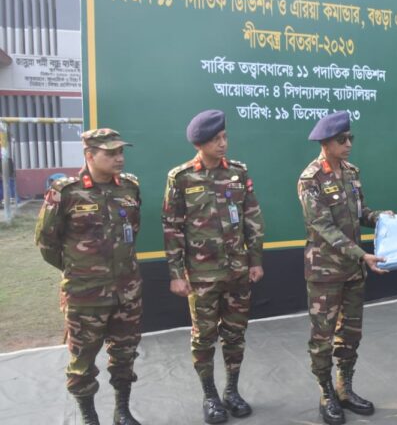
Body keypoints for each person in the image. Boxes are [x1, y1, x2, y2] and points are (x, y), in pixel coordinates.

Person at [162, 110, 264, 424]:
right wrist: (177, 274)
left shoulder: (237, 172)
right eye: (216, 139)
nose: (223, 144)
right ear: (200, 143)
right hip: (202, 276)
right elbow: (172, 228)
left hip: (237, 271)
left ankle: (231, 390)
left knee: (235, 335)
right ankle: (210, 396)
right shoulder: (181, 178)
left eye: (224, 137)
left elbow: (253, 218)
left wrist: (255, 260)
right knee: (203, 337)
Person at [35, 128, 142, 425]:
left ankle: (122, 411)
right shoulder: (65, 193)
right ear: (89, 155)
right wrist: (81, 270)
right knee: (82, 364)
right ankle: (89, 417)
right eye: (110, 153)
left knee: (124, 356)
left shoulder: (129, 188)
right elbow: (46, 244)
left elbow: (132, 232)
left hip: (127, 292)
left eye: (121, 152)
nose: (119, 158)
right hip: (85, 296)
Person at [297, 110, 391, 425]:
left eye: (351, 138)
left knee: (350, 334)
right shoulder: (310, 179)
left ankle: (345, 388)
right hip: (325, 272)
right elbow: (323, 226)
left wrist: (380, 217)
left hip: (352, 270)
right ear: (326, 143)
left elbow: (361, 212)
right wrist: (361, 254)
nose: (349, 143)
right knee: (322, 337)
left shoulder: (351, 172)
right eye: (342, 139)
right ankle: (326, 393)